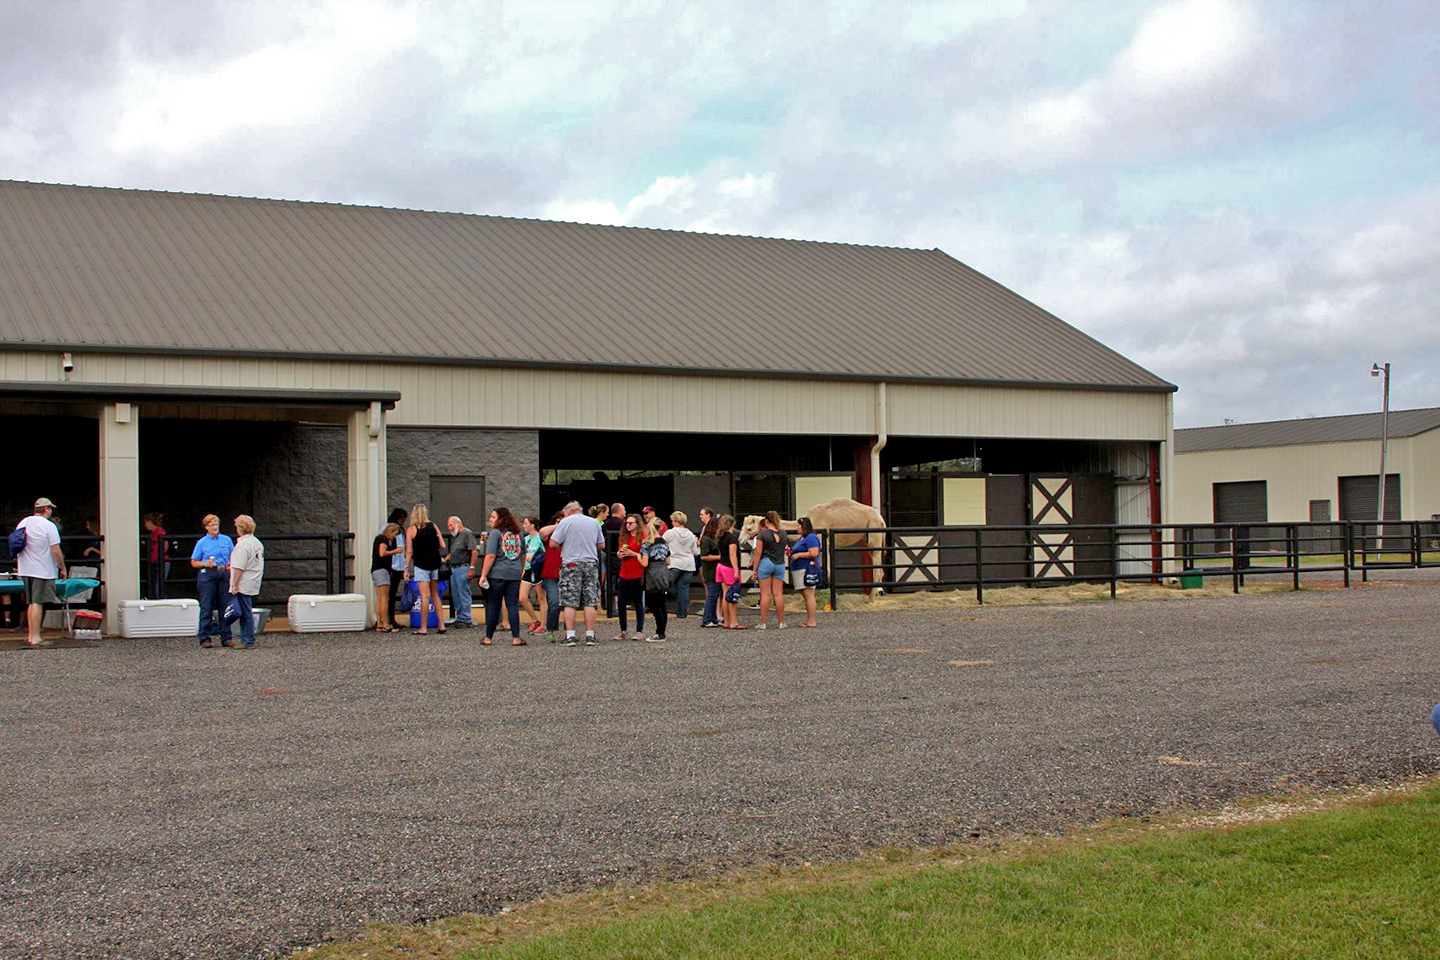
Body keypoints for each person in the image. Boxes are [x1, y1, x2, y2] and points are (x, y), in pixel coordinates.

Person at [546, 500, 605, 646]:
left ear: (569, 511)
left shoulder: (565, 522)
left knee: (569, 601)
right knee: (590, 600)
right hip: (590, 563)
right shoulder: (593, 523)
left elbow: (553, 543)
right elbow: (601, 544)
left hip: (571, 564)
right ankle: (590, 635)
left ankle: (571, 636)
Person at [15, 497, 65, 647]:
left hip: (25, 568)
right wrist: (62, 567)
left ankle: (31, 634)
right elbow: (56, 551)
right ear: (47, 509)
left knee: (31, 602)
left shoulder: (24, 522)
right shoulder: (48, 526)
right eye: (50, 509)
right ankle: (36, 637)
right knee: (38, 602)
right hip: (42, 569)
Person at [479, 507, 525, 645]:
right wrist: (520, 570)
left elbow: (491, 555)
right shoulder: (519, 534)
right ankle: (516, 637)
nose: (490, 520)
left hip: (497, 573)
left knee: (494, 605)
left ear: (501, 519)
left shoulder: (495, 534)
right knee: (512, 605)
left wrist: (483, 575)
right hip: (514, 574)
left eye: (493, 517)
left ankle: (488, 637)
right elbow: (523, 555)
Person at [191, 513, 235, 647]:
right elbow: (194, 562)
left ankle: (226, 637)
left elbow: (233, 556)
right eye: (211, 525)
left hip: (224, 573)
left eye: (216, 524)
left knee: (225, 606)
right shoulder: (202, 543)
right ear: (206, 527)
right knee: (206, 606)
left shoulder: (227, 540)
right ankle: (204, 638)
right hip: (208, 574)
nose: (215, 527)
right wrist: (205, 564)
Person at [220, 514, 264, 648]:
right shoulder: (257, 543)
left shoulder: (242, 545)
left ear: (240, 528)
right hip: (254, 581)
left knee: (245, 612)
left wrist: (234, 584)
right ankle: (248, 639)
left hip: (244, 582)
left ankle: (248, 640)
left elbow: (239, 567)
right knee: (247, 610)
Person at [405, 504, 447, 636]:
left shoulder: (411, 529)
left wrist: (406, 568)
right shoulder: (433, 526)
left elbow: (409, 551)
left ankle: (423, 627)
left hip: (421, 564)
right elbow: (442, 545)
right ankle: (441, 625)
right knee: (435, 595)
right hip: (435, 563)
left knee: (424, 596)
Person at [752, 510, 789, 629]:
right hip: (780, 563)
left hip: (766, 562)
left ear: (766, 521)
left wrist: (754, 569)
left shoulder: (763, 534)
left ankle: (763, 623)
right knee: (778, 594)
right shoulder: (783, 533)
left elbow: (758, 552)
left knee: (765, 594)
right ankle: (782, 622)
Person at [638, 517, 671, 642]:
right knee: (662, 603)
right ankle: (662, 631)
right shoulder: (664, 542)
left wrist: (637, 557)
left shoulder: (647, 543)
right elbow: (668, 560)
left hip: (652, 573)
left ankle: (659, 633)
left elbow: (645, 563)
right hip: (663, 571)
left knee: (654, 604)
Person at [614, 512, 647, 640]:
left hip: (637, 573)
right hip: (624, 572)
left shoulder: (643, 537)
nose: (628, 525)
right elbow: (620, 550)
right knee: (621, 602)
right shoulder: (624, 537)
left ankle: (639, 630)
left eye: (631, 523)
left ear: (637, 524)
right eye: (626, 523)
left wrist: (632, 553)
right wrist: (619, 554)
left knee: (638, 602)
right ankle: (623, 629)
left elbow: (644, 555)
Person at [663, 511, 700, 618]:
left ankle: (674, 601)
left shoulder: (669, 533)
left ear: (675, 521)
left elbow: (662, 544)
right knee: (684, 588)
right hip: (688, 563)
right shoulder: (691, 535)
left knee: (666, 584)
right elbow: (695, 552)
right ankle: (682, 613)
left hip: (674, 562)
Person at [444, 515, 478, 628]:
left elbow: (474, 551)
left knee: (463, 592)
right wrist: (445, 560)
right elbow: (454, 552)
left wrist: (472, 568)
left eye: (451, 525)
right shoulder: (456, 536)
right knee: (456, 594)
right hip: (454, 568)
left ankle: (466, 618)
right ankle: (460, 617)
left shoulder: (467, 534)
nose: (449, 528)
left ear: (458, 523)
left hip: (463, 567)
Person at [535, 510, 564, 639]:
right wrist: (561, 525)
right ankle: (552, 630)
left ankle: (570, 632)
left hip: (568, 572)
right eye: (558, 521)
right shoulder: (550, 535)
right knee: (554, 602)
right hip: (551, 574)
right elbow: (542, 532)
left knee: (571, 604)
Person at [790, 516, 822, 628]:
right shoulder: (802, 539)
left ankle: (812, 620)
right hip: (799, 568)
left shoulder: (811, 538)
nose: (797, 528)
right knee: (806, 594)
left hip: (807, 568)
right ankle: (809, 619)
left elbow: (814, 553)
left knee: (809, 594)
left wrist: (799, 555)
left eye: (798, 526)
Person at [370, 522, 402, 632]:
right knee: (385, 598)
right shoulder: (383, 539)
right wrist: (395, 551)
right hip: (382, 570)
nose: (395, 537)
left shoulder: (378, 538)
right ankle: (386, 624)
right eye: (395, 534)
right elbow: (382, 553)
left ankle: (379, 623)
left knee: (379, 598)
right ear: (391, 531)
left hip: (375, 570)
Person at [519, 516, 547, 636]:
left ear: (532, 525)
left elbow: (530, 555)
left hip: (538, 570)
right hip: (528, 570)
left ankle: (543, 625)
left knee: (541, 598)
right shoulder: (525, 539)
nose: (523, 526)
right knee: (522, 597)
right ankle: (535, 620)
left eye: (526, 523)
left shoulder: (538, 539)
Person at [717, 514, 744, 630]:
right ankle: (734, 621)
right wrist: (736, 570)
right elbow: (732, 554)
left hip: (721, 566)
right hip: (729, 567)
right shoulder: (732, 538)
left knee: (725, 594)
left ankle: (726, 621)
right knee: (733, 595)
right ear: (733, 524)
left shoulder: (721, 537)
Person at [384, 508, 408, 627]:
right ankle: (388, 618)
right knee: (389, 594)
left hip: (398, 565)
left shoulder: (400, 531)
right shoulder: (389, 529)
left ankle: (391, 618)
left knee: (392, 593)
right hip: (392, 565)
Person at [698, 516, 723, 628]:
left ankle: (712, 617)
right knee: (712, 596)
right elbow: (704, 556)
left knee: (715, 594)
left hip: (715, 570)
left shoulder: (713, 539)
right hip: (710, 570)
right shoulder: (706, 540)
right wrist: (719, 557)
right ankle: (707, 619)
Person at [143, 512, 168, 599]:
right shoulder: (152, 533)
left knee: (159, 585)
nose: (145, 525)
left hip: (161, 562)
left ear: (150, 522)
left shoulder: (160, 532)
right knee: (154, 584)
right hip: (154, 561)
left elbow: (165, 545)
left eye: (146, 522)